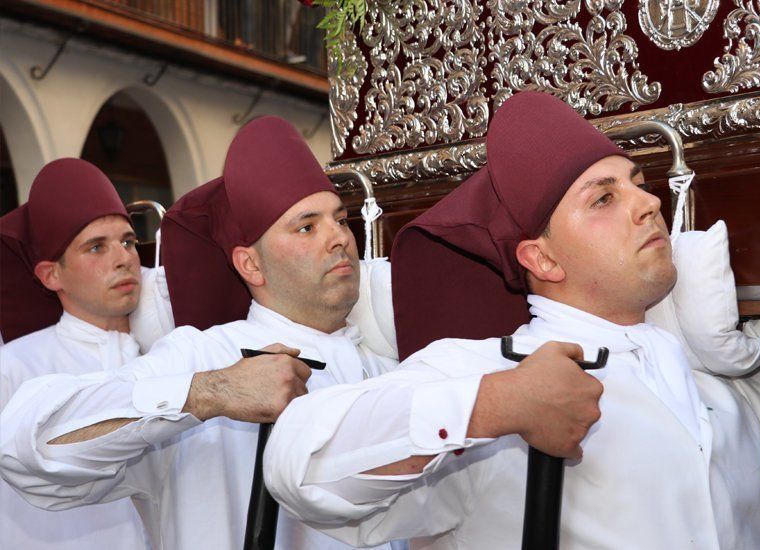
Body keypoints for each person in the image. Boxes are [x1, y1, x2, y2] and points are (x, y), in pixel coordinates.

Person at [261, 92, 760, 549]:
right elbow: (296, 464)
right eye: (604, 198)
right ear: (539, 258)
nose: (648, 203)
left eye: (638, 185)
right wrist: (496, 405)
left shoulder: (732, 392)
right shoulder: (481, 370)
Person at [0, 116, 599, 549]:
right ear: (250, 265)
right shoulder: (202, 356)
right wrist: (208, 394)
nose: (340, 237)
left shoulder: (391, 372)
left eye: (339, 220)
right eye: (306, 227)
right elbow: (28, 443)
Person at [0, 158, 148, 549]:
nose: (124, 258)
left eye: (128, 241)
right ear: (52, 275)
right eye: (96, 247)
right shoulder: (14, 367)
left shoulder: (165, 354)